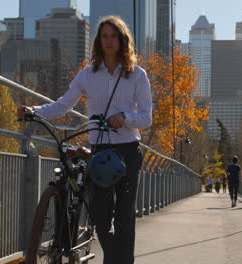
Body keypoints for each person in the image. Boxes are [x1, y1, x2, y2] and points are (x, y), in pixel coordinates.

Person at [17, 16, 152, 264]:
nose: (109, 41)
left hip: (128, 151)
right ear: (99, 41)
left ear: (122, 40)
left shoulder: (137, 75)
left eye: (113, 36)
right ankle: (115, 258)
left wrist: (125, 118)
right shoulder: (87, 75)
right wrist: (35, 111)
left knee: (124, 216)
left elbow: (146, 118)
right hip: (100, 151)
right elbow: (63, 105)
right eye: (105, 36)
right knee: (100, 216)